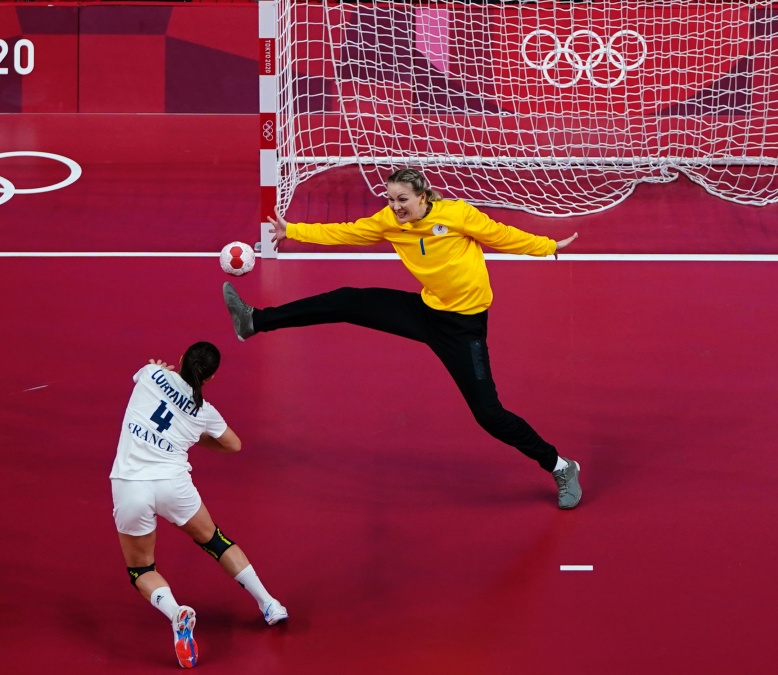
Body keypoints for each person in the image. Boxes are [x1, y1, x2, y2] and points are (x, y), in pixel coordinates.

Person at [222, 169, 583, 509]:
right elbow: (350, 231)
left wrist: (547, 246)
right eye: (390, 198)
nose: (395, 207)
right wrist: (295, 231)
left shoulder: (457, 215)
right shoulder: (390, 222)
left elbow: (501, 235)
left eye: (402, 199)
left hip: (463, 327)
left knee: (489, 414)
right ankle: (255, 320)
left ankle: (560, 466)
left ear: (423, 197)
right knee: (347, 300)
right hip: (424, 311)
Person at [110, 341, 288, 670]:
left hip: (130, 485)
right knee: (215, 541)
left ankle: (175, 612)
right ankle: (269, 604)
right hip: (173, 485)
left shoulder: (150, 373)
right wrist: (196, 437)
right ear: (211, 378)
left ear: (180, 359)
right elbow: (233, 444)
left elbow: (153, 377)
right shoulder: (203, 411)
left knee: (141, 570)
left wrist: (160, 370)